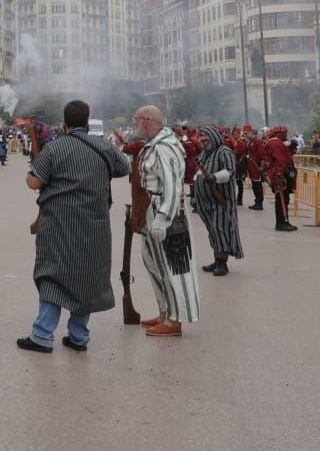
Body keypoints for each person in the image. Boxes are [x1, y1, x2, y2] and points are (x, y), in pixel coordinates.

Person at [17, 101, 129, 354]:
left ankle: (42, 336)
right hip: (95, 225)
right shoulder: (103, 146)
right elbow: (124, 167)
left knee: (51, 273)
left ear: (65, 122)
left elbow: (34, 183)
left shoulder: (55, 148)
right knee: (87, 277)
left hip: (59, 223)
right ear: (87, 121)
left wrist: (31, 171)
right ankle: (79, 337)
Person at [131, 105, 200, 337]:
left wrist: (163, 218)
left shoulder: (165, 147)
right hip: (153, 208)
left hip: (166, 211)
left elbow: (172, 185)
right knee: (154, 263)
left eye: (137, 119)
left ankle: (175, 320)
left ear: (147, 120)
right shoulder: (155, 145)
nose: (134, 123)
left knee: (172, 266)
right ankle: (164, 311)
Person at [191, 127, 243, 277]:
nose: (203, 138)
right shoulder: (204, 154)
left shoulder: (224, 151)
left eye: (206, 135)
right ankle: (217, 259)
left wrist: (215, 177)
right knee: (213, 231)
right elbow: (198, 173)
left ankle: (222, 264)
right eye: (201, 136)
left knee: (220, 229)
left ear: (214, 136)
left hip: (221, 200)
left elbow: (230, 171)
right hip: (205, 202)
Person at [264, 126, 298, 231]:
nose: (286, 135)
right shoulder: (275, 143)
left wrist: (292, 147)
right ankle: (280, 223)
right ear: (278, 133)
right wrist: (280, 174)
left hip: (282, 174)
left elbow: (287, 154)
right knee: (281, 199)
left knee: (285, 199)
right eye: (284, 133)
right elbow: (280, 160)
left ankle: (284, 220)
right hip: (280, 175)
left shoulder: (278, 142)